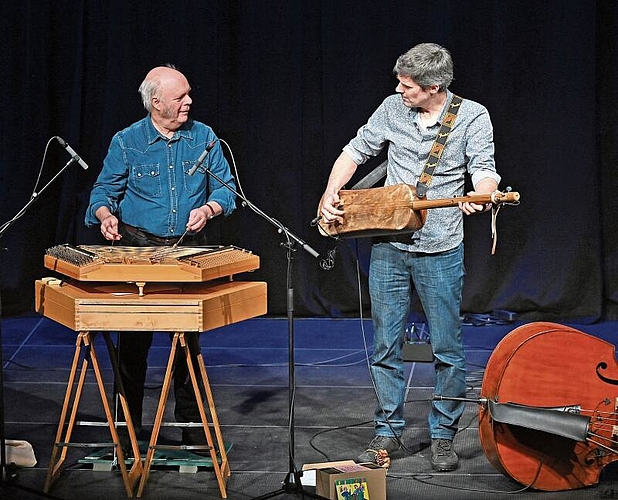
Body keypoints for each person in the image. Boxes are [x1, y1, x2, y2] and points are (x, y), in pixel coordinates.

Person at [318, 43, 500, 471]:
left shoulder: (472, 115)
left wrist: (484, 194)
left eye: (408, 86)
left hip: (440, 248)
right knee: (385, 345)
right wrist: (331, 192)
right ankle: (387, 431)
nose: (399, 91)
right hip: (390, 245)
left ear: (433, 87)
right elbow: (356, 150)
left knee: (447, 349)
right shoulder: (391, 108)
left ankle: (442, 435)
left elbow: (484, 168)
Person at [85, 64, 236, 449]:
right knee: (133, 345)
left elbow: (227, 191)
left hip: (187, 251)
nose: (189, 102)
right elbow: (102, 193)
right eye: (180, 96)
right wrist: (106, 217)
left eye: (188, 94)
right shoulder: (126, 141)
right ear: (156, 103)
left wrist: (210, 209)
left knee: (188, 343)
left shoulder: (204, 137)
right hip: (138, 250)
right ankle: (127, 430)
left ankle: (190, 430)